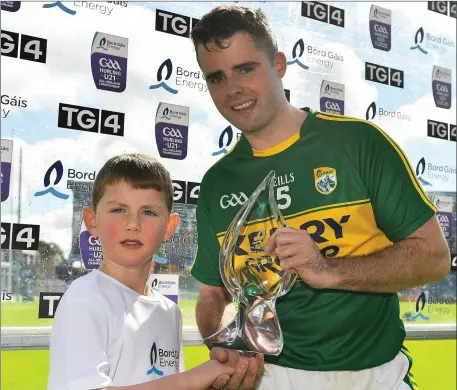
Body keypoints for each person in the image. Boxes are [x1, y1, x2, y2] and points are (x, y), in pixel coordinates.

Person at [189, 6, 451, 390]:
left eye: (245, 69)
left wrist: (327, 269)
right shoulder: (217, 183)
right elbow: (214, 295)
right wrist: (227, 344)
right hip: (274, 379)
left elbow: (434, 258)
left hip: (377, 378)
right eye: (216, 77)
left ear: (279, 64)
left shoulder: (359, 143)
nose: (233, 90)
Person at [47, 153, 239, 390]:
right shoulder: (85, 298)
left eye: (148, 212)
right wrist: (191, 380)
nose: (133, 224)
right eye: (118, 210)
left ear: (169, 227)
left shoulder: (169, 312)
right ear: (92, 221)